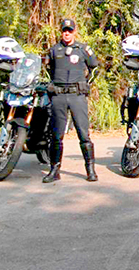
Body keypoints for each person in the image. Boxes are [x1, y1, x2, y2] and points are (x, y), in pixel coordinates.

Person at [43, 19, 100, 183]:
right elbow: (49, 70)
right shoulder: (54, 50)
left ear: (74, 31)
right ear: (61, 31)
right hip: (59, 96)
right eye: (64, 30)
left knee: (83, 134)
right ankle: (54, 170)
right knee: (56, 135)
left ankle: (90, 170)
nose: (66, 33)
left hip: (77, 96)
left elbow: (94, 67)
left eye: (69, 30)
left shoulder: (83, 49)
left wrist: (86, 84)